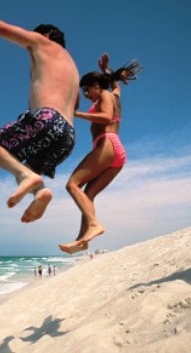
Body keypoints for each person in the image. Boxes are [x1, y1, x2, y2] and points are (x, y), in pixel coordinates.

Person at [0, 14, 79, 223]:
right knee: (26, 168)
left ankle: (28, 178)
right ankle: (40, 192)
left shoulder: (43, 43)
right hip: (67, 136)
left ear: (46, 35)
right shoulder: (73, 69)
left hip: (46, 117)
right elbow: (75, 106)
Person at [59, 54, 141, 254]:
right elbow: (116, 87)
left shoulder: (104, 95)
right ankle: (82, 240)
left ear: (96, 85)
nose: (86, 95)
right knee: (88, 194)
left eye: (87, 90)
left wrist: (75, 114)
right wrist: (107, 70)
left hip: (107, 144)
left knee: (72, 184)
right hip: (116, 153)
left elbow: (105, 117)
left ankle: (94, 225)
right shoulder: (113, 95)